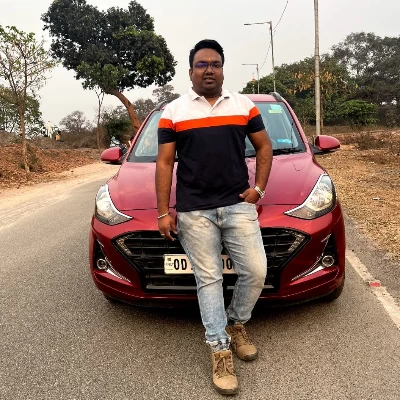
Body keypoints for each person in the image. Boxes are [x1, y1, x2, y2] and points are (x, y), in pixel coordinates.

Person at [155, 39, 273, 395]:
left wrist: (259, 189)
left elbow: (264, 147)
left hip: (238, 204)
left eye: (215, 64)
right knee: (209, 279)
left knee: (256, 271)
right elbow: (164, 162)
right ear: (190, 71)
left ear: (223, 69)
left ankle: (236, 324)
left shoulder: (243, 105)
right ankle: (220, 350)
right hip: (194, 211)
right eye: (202, 64)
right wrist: (163, 211)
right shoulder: (173, 112)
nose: (209, 70)